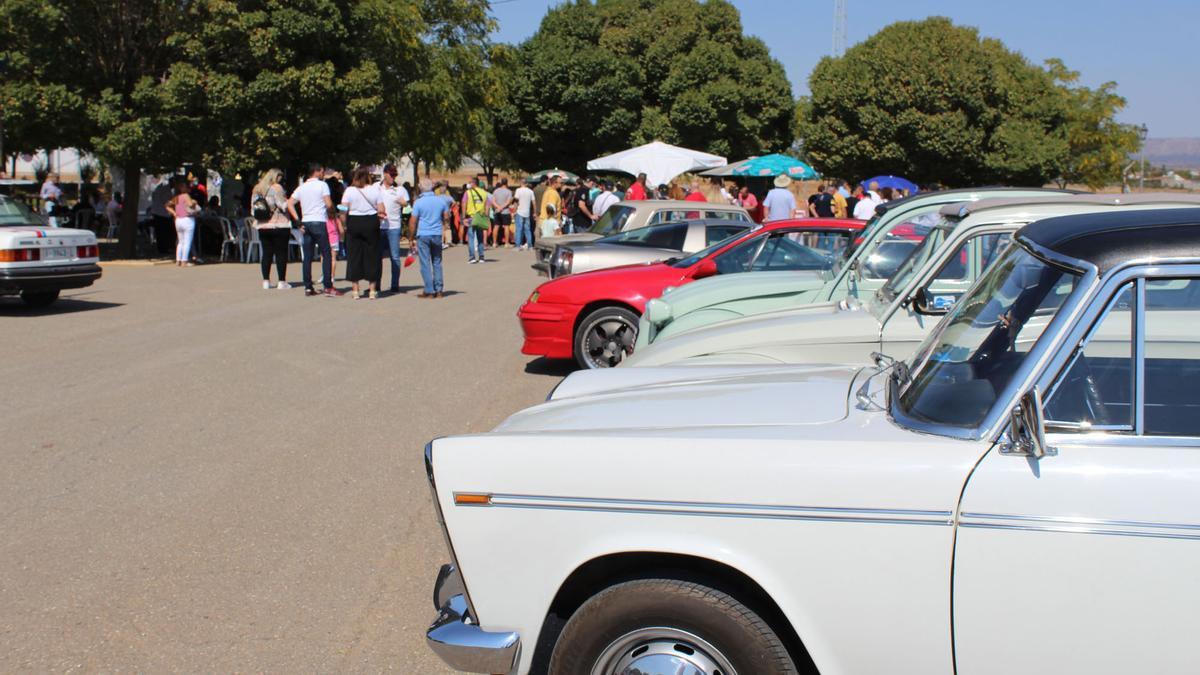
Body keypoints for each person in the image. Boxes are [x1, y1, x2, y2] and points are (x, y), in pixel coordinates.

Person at [288, 163, 342, 297]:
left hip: (306, 222)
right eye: (322, 171)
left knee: (307, 256)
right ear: (316, 172)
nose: (323, 174)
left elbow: (289, 203)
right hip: (319, 221)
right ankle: (328, 287)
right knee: (326, 253)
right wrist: (334, 214)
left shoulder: (302, 187)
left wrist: (297, 220)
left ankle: (308, 287)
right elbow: (328, 204)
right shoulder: (322, 185)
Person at [341, 166, 386, 299]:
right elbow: (381, 209)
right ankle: (372, 290)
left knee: (354, 255)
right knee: (372, 255)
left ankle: (355, 290)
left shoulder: (349, 190)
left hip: (354, 221)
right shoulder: (374, 190)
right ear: (368, 176)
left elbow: (343, 209)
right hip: (371, 222)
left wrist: (344, 224)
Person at [409, 178, 450, 298]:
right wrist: (444, 224)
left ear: (421, 188)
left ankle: (429, 290)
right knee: (437, 262)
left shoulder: (418, 202)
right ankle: (439, 289)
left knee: (425, 263)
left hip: (423, 234)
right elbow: (447, 217)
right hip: (437, 233)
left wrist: (411, 237)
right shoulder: (441, 201)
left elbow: (413, 222)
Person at [251, 169, 292, 290]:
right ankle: (281, 281)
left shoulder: (257, 189)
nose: (281, 179)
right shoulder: (277, 188)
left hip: (262, 225)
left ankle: (266, 281)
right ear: (275, 177)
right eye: (280, 177)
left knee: (267, 253)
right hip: (279, 224)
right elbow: (282, 205)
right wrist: (290, 201)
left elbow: (253, 210)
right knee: (281, 253)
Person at [376, 164, 409, 293]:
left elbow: (407, 204)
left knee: (394, 257)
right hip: (378, 226)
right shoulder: (376, 187)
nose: (393, 177)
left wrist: (404, 203)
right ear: (385, 174)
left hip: (394, 226)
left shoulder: (399, 190)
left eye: (395, 174)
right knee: (377, 257)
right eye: (391, 174)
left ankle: (395, 284)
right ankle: (376, 284)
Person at [166, 179, 200, 266]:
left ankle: (178, 260)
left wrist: (174, 213)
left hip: (178, 220)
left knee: (180, 242)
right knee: (187, 241)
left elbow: (167, 205)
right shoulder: (186, 196)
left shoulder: (177, 197)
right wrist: (194, 202)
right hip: (187, 219)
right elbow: (190, 205)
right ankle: (184, 261)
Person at [462, 177, 490, 264]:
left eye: (470, 182)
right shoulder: (484, 193)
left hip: (471, 217)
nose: (469, 184)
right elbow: (487, 206)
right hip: (480, 217)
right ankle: (481, 257)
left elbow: (464, 204)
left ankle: (472, 257)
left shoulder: (468, 193)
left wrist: (463, 217)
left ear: (474, 183)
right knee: (480, 237)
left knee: (471, 238)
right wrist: (486, 217)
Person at [513, 178, 536, 250]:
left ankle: (518, 246)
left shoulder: (518, 190)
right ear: (526, 184)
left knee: (519, 229)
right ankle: (530, 245)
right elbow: (534, 203)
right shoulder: (530, 191)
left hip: (520, 211)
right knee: (527, 230)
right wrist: (534, 212)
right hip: (527, 212)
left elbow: (516, 201)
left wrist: (514, 210)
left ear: (520, 183)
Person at [490, 178, 513, 247]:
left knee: (496, 226)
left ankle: (494, 243)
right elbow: (508, 202)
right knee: (506, 227)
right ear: (507, 183)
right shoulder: (509, 192)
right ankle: (506, 243)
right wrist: (502, 207)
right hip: (505, 211)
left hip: (497, 211)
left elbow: (493, 201)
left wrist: (498, 207)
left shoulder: (496, 191)